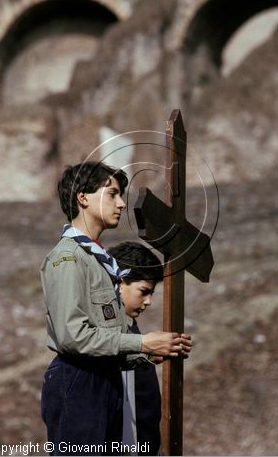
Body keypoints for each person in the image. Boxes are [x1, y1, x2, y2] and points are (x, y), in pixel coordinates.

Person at [40, 161, 192, 456]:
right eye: (112, 194)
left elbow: (106, 335)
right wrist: (142, 342)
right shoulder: (68, 259)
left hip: (105, 378)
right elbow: (73, 337)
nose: (121, 203)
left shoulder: (98, 262)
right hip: (79, 382)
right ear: (82, 197)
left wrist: (147, 352)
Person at [108, 241, 168, 456]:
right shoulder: (104, 338)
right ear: (120, 281)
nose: (148, 301)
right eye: (143, 291)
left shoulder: (131, 329)